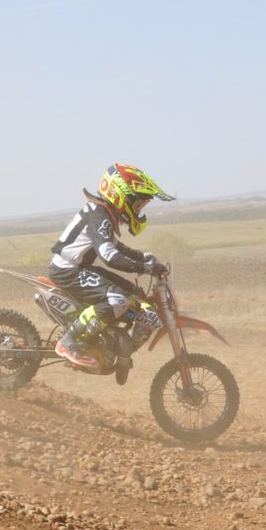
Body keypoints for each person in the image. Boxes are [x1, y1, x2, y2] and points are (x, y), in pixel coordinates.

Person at [50, 163, 175, 383]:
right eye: (137, 203)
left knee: (134, 294)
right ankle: (68, 342)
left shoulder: (103, 214)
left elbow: (118, 248)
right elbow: (109, 256)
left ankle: (112, 346)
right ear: (120, 196)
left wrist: (146, 257)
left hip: (79, 268)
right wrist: (144, 267)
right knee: (117, 299)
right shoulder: (100, 216)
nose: (139, 209)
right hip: (67, 271)